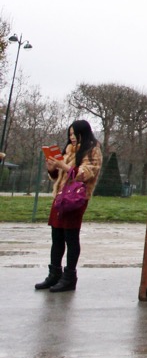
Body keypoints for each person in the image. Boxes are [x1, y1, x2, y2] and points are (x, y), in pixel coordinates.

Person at [36, 119, 103, 292]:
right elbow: (58, 176)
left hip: (76, 199)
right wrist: (53, 168)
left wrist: (63, 166)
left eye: (75, 134)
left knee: (71, 237)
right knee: (56, 236)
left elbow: (84, 174)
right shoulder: (69, 151)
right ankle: (54, 274)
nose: (72, 137)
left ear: (84, 133)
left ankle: (69, 277)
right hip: (60, 198)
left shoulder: (93, 151)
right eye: (70, 134)